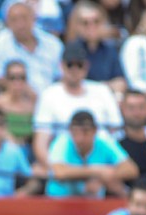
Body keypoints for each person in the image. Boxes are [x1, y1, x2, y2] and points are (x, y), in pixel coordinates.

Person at [32, 40, 123, 171]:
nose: (74, 69)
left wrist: (107, 170)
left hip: (102, 165)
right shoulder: (49, 94)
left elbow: (116, 135)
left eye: (79, 65)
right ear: (61, 66)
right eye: (70, 65)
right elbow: (40, 143)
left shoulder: (102, 90)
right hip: (63, 163)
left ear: (86, 66)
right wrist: (57, 171)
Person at [45, 108, 138, 197]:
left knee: (116, 185)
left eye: (85, 132)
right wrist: (97, 172)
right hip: (60, 201)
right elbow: (59, 172)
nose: (80, 138)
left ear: (95, 130)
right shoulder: (62, 141)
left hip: (94, 201)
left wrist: (101, 179)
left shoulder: (104, 141)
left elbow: (131, 170)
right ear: (70, 131)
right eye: (75, 133)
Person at [0, 0, 64, 96]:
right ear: (7, 22)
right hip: (16, 99)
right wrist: (22, 87)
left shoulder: (53, 44)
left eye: (24, 18)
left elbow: (62, 76)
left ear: (34, 18)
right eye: (14, 20)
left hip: (51, 97)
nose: (20, 24)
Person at [63, 0, 126, 96]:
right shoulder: (71, 50)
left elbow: (120, 83)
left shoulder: (110, 49)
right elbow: (73, 83)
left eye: (96, 21)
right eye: (85, 23)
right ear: (77, 26)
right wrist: (105, 86)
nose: (91, 27)